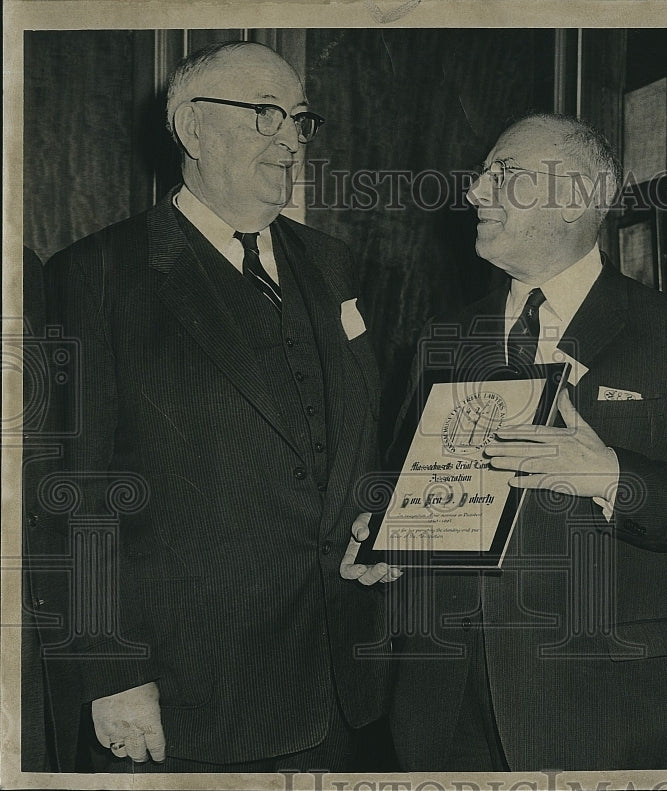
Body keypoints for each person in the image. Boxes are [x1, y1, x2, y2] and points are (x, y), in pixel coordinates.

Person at [39, 41, 389, 772]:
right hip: (185, 703)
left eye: (299, 119)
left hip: (341, 688)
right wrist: (112, 670)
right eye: (265, 115)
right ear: (192, 130)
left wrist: (385, 526)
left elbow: (354, 442)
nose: (291, 139)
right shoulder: (98, 276)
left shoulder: (332, 265)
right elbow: (73, 492)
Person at [344, 112, 667, 770]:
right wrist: (386, 537)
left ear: (578, 197)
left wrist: (611, 474)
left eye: (504, 174)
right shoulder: (444, 336)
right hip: (445, 705)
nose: (473, 192)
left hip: (603, 704)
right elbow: (408, 485)